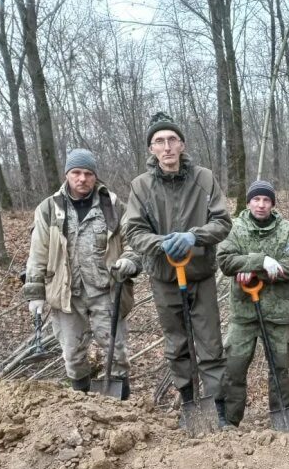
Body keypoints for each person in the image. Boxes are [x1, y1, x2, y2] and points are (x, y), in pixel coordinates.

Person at [123, 112, 232, 421]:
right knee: (177, 344)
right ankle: (188, 403)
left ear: (182, 145)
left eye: (172, 140)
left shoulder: (204, 178)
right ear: (151, 150)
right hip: (164, 277)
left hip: (200, 274)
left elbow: (223, 222)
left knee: (210, 344)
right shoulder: (141, 187)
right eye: (159, 141)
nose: (167, 147)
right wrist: (162, 244)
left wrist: (193, 237)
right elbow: (134, 231)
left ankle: (218, 409)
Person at [23, 149, 142, 398]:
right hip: (66, 294)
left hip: (106, 289)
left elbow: (133, 239)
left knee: (115, 350)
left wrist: (129, 260)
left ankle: (122, 406)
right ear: (67, 174)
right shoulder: (49, 209)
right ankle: (81, 406)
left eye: (88, 173)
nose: (82, 179)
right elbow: (38, 253)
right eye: (76, 173)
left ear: (95, 176)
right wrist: (35, 292)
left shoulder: (112, 205)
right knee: (73, 355)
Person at [216, 180, 289, 426]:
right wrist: (260, 261)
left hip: (277, 313)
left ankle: (282, 418)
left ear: (273, 204)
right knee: (234, 365)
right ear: (249, 202)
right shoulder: (236, 228)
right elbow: (225, 260)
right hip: (244, 312)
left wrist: (254, 271)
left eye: (266, 200)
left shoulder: (287, 230)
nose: (261, 205)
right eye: (256, 199)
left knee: (280, 368)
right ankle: (229, 419)